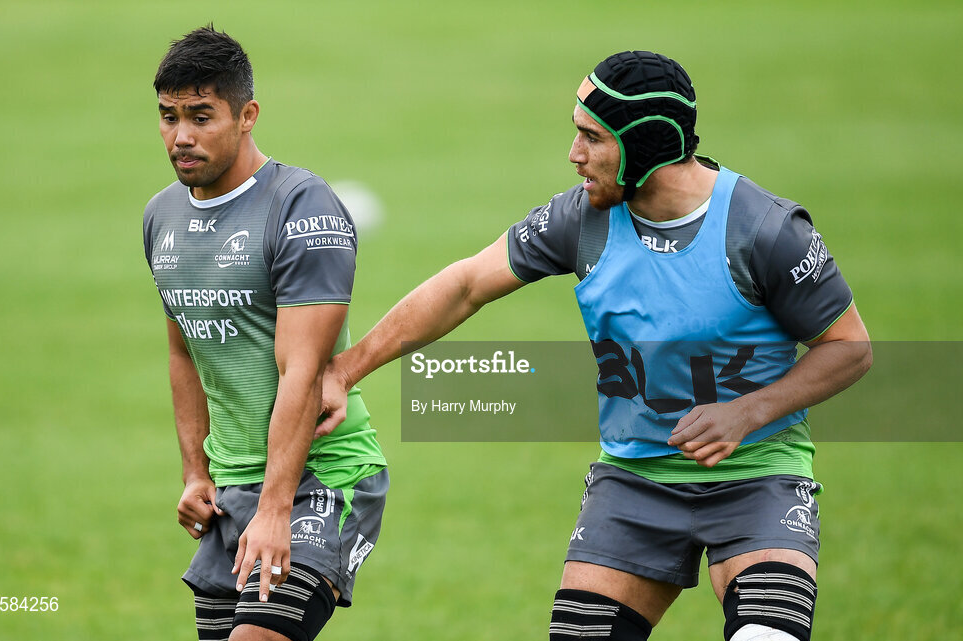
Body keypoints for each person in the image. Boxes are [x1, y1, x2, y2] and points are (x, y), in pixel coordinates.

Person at [318, 51, 871, 641]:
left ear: (647, 145)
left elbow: (849, 347)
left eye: (591, 138)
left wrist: (748, 411)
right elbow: (464, 286)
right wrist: (346, 370)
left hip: (759, 479)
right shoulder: (582, 219)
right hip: (633, 481)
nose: (574, 155)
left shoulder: (766, 231)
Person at [142, 26, 387, 641]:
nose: (182, 136)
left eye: (202, 116)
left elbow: (302, 369)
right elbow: (183, 348)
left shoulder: (301, 207)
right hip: (233, 488)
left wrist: (278, 508)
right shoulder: (161, 216)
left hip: (320, 478)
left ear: (247, 115)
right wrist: (196, 474)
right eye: (169, 117)